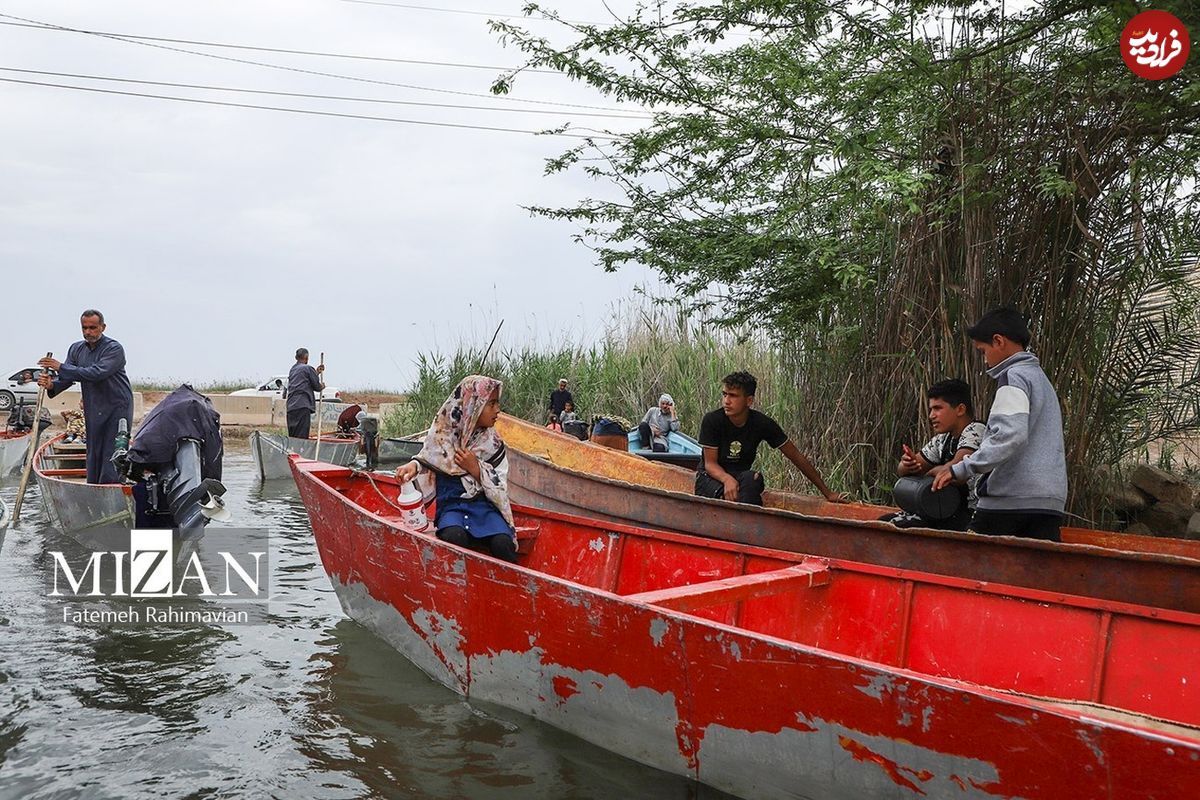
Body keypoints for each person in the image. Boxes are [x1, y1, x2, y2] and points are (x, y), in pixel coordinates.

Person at [930, 308, 1067, 541]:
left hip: (1011, 500)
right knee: (1031, 575)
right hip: (1050, 501)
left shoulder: (1014, 377)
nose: (984, 360)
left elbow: (1009, 436)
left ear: (998, 341)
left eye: (983, 351)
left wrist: (960, 468)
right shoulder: (1040, 379)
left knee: (970, 566)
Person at [394, 375, 517, 562]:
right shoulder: (443, 434)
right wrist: (414, 465)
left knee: (503, 543)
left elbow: (501, 485)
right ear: (472, 406)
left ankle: (510, 587)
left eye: (497, 404)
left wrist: (476, 468)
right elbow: (429, 458)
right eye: (491, 404)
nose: (498, 410)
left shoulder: (493, 443)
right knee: (455, 537)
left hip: (485, 509)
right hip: (451, 508)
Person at [694, 371, 848, 506]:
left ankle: (749, 527)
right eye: (724, 394)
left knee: (753, 479)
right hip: (711, 478)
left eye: (733, 396)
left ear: (749, 401)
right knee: (729, 494)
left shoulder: (762, 423)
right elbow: (710, 464)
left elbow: (796, 456)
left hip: (740, 478)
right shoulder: (712, 420)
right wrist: (727, 479)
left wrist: (827, 492)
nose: (726, 401)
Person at [38, 309, 133, 484]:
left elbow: (95, 373)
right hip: (93, 406)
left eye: (93, 328)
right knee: (93, 451)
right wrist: (51, 384)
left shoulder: (114, 349)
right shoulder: (76, 349)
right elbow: (68, 377)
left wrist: (60, 367)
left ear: (102, 327)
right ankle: (92, 488)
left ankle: (111, 489)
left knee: (112, 451)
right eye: (84, 328)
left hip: (117, 407)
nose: (88, 332)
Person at [888, 379, 986, 530]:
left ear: (960, 409)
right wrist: (908, 463)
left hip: (974, 515)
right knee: (887, 521)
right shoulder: (943, 439)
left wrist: (932, 472)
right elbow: (903, 471)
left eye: (937, 408)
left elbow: (956, 470)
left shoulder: (976, 431)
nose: (931, 416)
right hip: (950, 513)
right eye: (931, 409)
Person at [285, 348, 325, 439]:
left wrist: (316, 372)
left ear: (296, 357)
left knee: (293, 436)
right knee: (302, 436)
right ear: (307, 358)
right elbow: (317, 387)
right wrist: (322, 386)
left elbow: (304, 378)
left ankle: (293, 451)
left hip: (291, 407)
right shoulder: (307, 368)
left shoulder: (293, 369)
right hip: (302, 406)